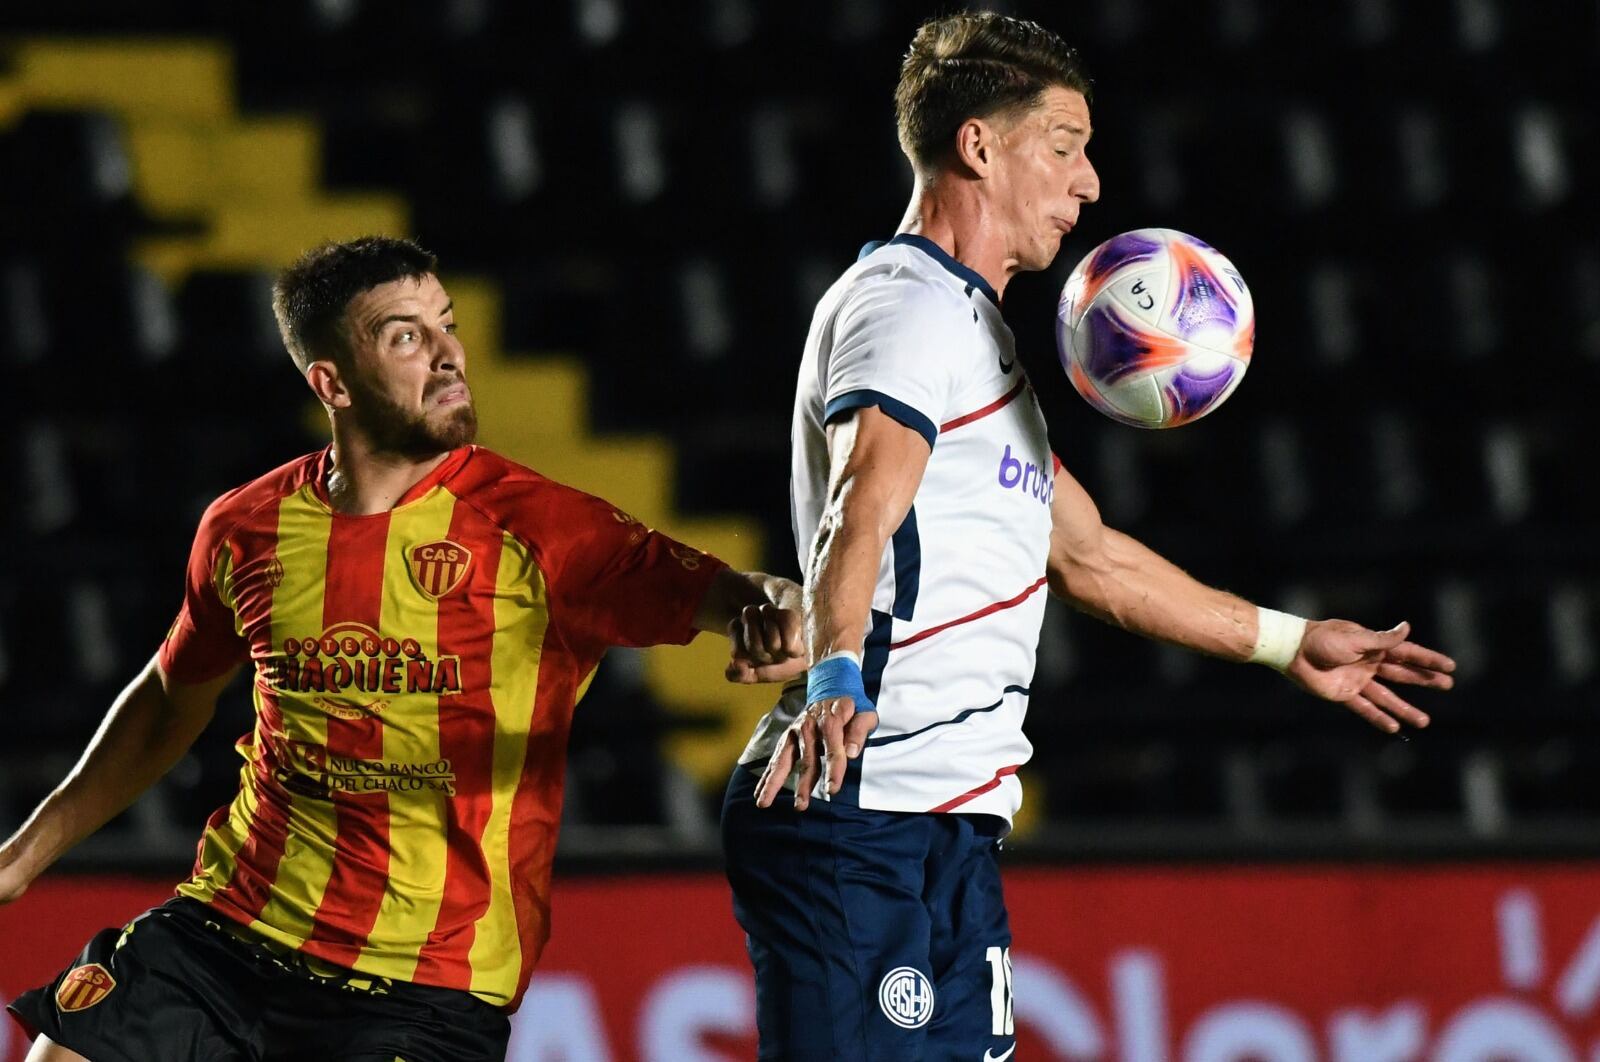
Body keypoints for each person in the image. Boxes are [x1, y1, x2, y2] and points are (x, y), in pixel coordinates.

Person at [720, 12, 1458, 1061]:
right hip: (860, 808)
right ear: (979, 146)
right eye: (1064, 146)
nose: (1091, 182)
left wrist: (1289, 642)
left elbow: (1087, 557)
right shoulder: (907, 307)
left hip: (943, 821)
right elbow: (860, 502)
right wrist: (837, 672)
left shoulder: (977, 339)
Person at [0, 236, 805, 1062]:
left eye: (446, 323)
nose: (451, 353)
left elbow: (734, 592)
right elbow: (171, 699)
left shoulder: (547, 530)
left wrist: (773, 611)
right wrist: (21, 860)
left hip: (424, 989)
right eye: (407, 336)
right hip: (231, 931)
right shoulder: (246, 528)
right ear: (332, 383)